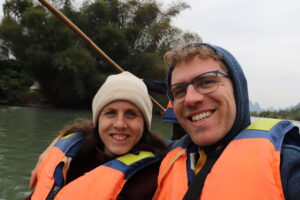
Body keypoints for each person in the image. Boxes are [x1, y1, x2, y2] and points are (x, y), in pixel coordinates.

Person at [153, 42, 300, 199]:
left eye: (206, 82)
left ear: (237, 90)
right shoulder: (166, 155)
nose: (190, 99)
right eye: (180, 91)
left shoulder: (287, 164)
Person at [27, 71, 168, 200]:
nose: (120, 124)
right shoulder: (72, 158)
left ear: (144, 124)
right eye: (110, 113)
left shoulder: (160, 175)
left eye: (131, 114)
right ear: (98, 120)